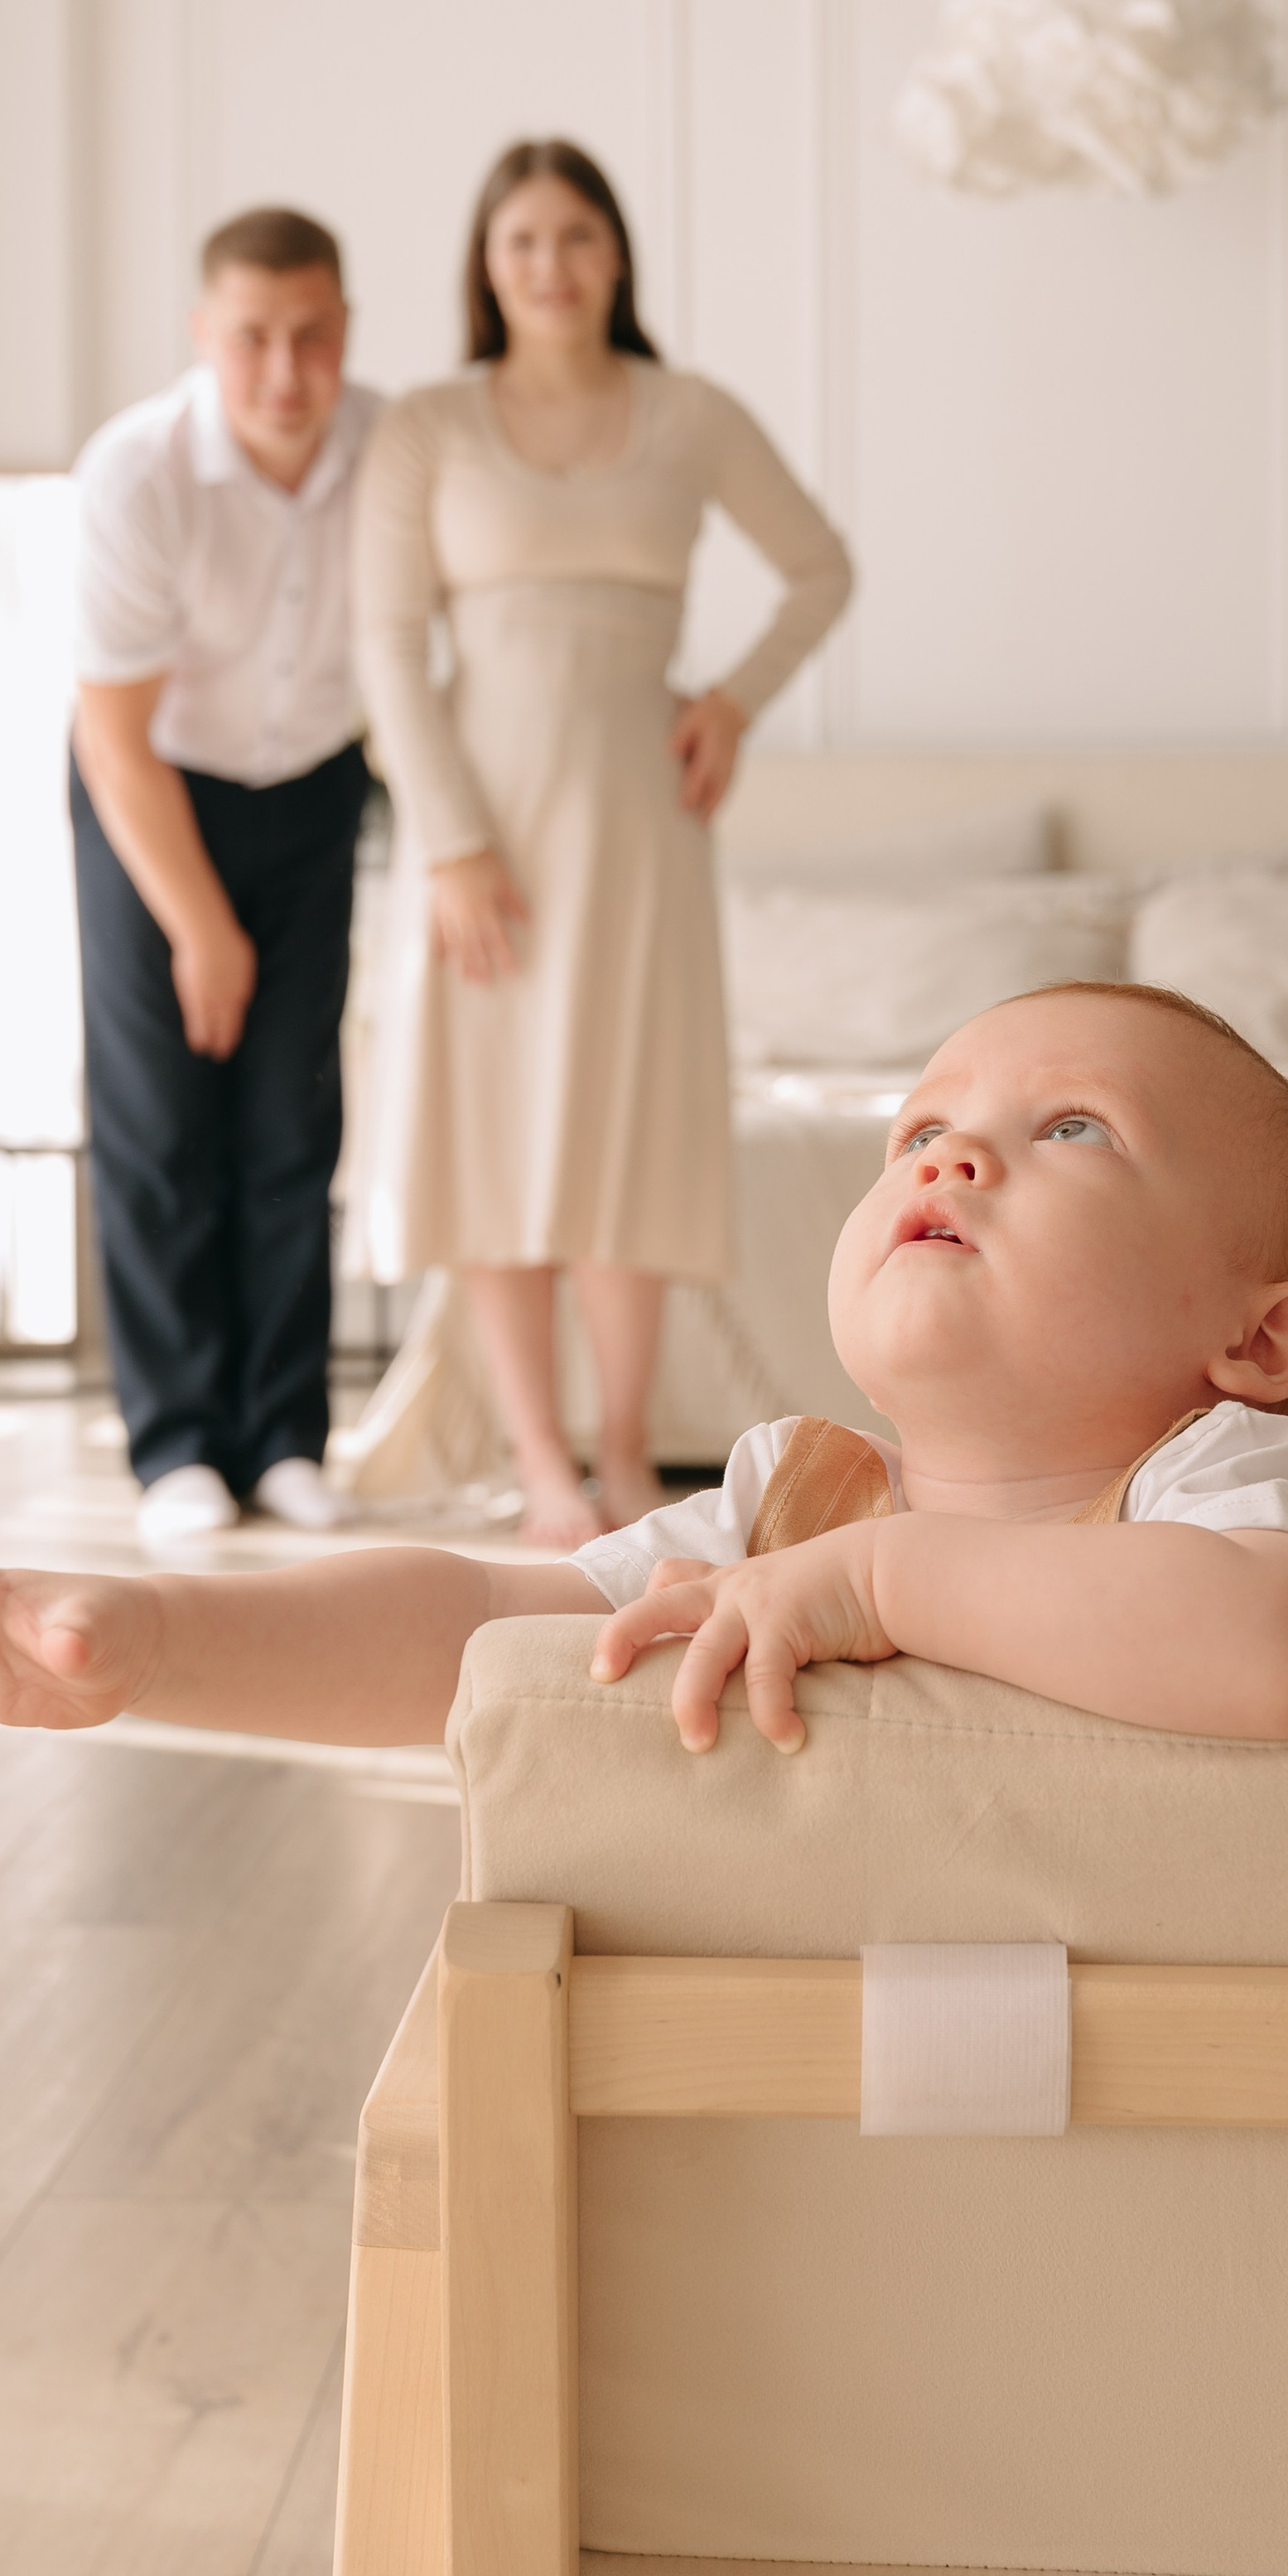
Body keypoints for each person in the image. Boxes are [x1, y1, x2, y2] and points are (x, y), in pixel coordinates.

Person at [0, 982, 1288, 1761]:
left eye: (1070, 1127)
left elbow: (1276, 1652)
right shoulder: (787, 1503)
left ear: (1256, 1343)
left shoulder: (1225, 1486)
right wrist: (154, 1646)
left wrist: (880, 1582)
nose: (948, 1162)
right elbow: (466, 1634)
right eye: (921, 1128)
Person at [350, 140, 853, 1548]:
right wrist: (446, 842)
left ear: (616, 254)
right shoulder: (427, 429)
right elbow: (387, 647)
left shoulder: (690, 414)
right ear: (485, 265)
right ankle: (540, 1461)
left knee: (624, 1129)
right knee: (495, 1133)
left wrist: (736, 705)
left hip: (639, 819)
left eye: (576, 237)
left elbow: (822, 566)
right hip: (479, 821)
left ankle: (626, 1459)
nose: (551, 266)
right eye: (522, 242)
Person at [69, 207, 381, 1548]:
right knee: (159, 1124)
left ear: (344, 333)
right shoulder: (136, 474)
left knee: (290, 1120)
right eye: (251, 337)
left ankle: (286, 1437)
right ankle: (179, 1446)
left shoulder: (393, 449)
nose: (283, 370)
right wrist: (199, 925)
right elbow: (111, 733)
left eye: (311, 335)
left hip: (314, 789)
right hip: (152, 784)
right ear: (206, 336)